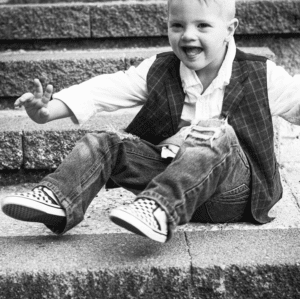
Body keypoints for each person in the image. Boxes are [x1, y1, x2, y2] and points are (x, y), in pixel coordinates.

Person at [1, 0, 299, 243]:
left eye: (202, 25)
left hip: (232, 195)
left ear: (229, 30)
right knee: (104, 140)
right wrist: (48, 110)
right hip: (167, 179)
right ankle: (59, 199)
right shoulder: (159, 69)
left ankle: (158, 208)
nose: (188, 35)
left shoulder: (262, 74)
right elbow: (103, 90)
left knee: (214, 129)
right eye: (177, 26)